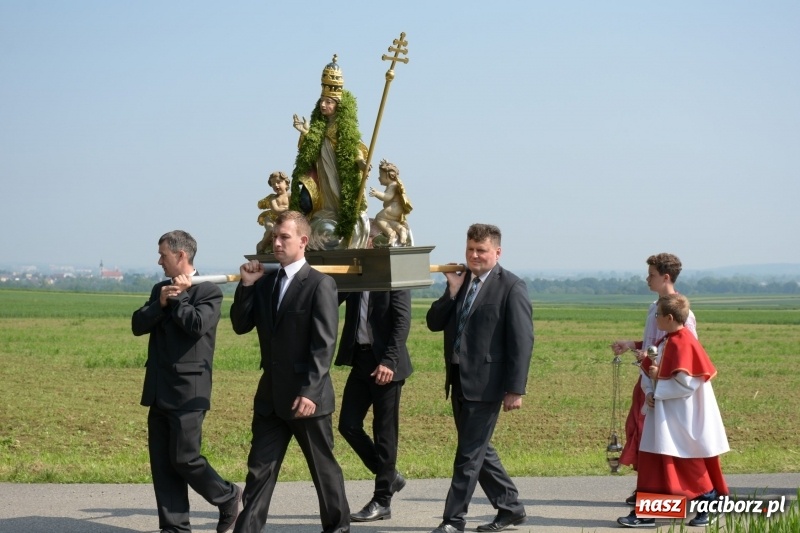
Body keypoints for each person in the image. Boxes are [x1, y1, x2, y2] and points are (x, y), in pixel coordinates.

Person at [229, 210, 350, 533]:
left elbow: (323, 345)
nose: (277, 243)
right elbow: (240, 324)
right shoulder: (266, 284)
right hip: (270, 398)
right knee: (259, 471)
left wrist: (310, 392)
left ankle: (338, 529)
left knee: (323, 472)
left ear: (303, 241)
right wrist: (246, 286)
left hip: (307, 399)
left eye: (284, 237)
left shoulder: (320, 285)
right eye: (275, 237)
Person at [426, 223, 534, 533]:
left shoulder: (511, 287)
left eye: (481, 250)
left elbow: (522, 342)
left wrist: (515, 389)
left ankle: (453, 520)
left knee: (468, 455)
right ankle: (510, 507)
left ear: (497, 252)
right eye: (470, 249)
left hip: (488, 385)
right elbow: (434, 322)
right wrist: (451, 291)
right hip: (459, 379)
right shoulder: (462, 283)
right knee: (478, 450)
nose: (474, 255)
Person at [131, 230, 241, 533]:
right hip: (158, 389)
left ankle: (228, 496)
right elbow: (138, 324)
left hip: (189, 392)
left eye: (163, 255)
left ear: (181, 255)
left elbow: (196, 325)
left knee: (185, 458)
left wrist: (179, 298)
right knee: (162, 464)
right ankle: (174, 528)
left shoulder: (208, 291)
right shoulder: (160, 289)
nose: (159, 261)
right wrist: (160, 304)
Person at [617, 294, 729, 528]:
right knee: (654, 462)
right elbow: (649, 372)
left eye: (657, 314)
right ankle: (647, 513)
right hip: (662, 411)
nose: (655, 318)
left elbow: (687, 384)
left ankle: (709, 502)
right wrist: (650, 391)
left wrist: (659, 382)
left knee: (684, 461)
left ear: (669, 317)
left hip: (681, 415)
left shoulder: (684, 342)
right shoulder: (666, 340)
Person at [610, 253, 697, 505]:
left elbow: (684, 350)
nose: (647, 279)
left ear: (666, 277)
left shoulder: (682, 313)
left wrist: (655, 363)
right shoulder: (654, 308)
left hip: (664, 385)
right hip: (647, 379)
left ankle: (665, 495)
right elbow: (654, 343)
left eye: (652, 275)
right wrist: (632, 345)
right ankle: (646, 487)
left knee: (658, 437)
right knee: (639, 431)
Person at [335, 289, 413, 522]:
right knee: (348, 425)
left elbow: (402, 321)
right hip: (361, 359)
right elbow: (331, 298)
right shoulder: (357, 277)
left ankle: (382, 501)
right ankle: (390, 476)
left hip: (387, 364)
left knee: (384, 434)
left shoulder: (393, 277)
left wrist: (389, 361)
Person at [291, 55, 370, 250]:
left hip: (338, 170)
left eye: (329, 102)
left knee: (339, 195)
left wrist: (361, 163)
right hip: (322, 171)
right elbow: (310, 149)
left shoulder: (343, 127)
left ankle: (343, 226)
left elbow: (354, 148)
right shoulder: (319, 125)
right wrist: (305, 133)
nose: (323, 105)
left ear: (338, 105)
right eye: (322, 101)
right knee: (324, 199)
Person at [369, 159, 413, 247]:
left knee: (379, 218)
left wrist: (377, 193)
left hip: (394, 208)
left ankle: (391, 234)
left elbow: (387, 196)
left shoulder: (393, 185)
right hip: (396, 210)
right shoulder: (394, 184)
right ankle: (401, 230)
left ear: (388, 176)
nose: (379, 178)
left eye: (380, 175)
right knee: (390, 222)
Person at [256, 171, 290, 254]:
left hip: (284, 220)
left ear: (286, 183)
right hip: (271, 218)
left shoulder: (291, 196)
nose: (276, 185)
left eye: (278, 182)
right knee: (271, 230)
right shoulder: (273, 198)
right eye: (273, 184)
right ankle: (261, 246)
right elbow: (276, 210)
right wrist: (289, 209)